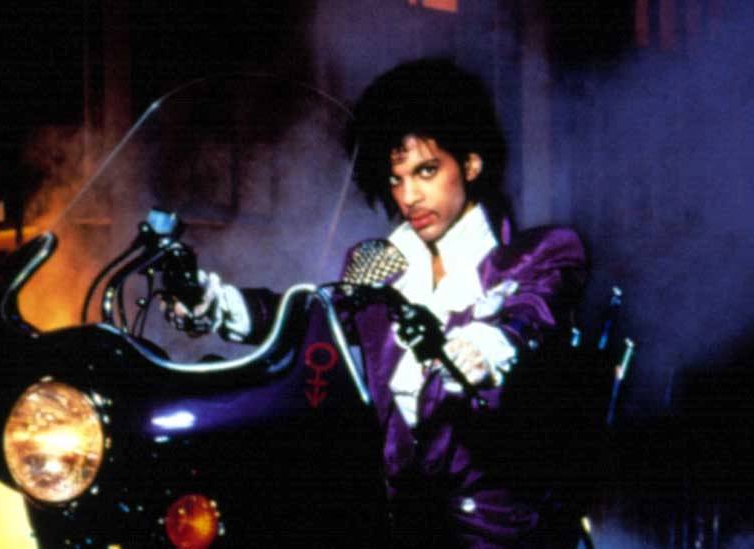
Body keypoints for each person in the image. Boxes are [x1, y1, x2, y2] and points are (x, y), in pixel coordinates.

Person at [169, 58, 588, 548]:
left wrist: (486, 346)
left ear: (471, 164)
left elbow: (531, 315)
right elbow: (312, 316)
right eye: (395, 178)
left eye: (426, 171)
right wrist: (215, 303)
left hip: (497, 528)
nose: (410, 196)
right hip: (395, 523)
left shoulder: (538, 254)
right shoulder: (381, 264)